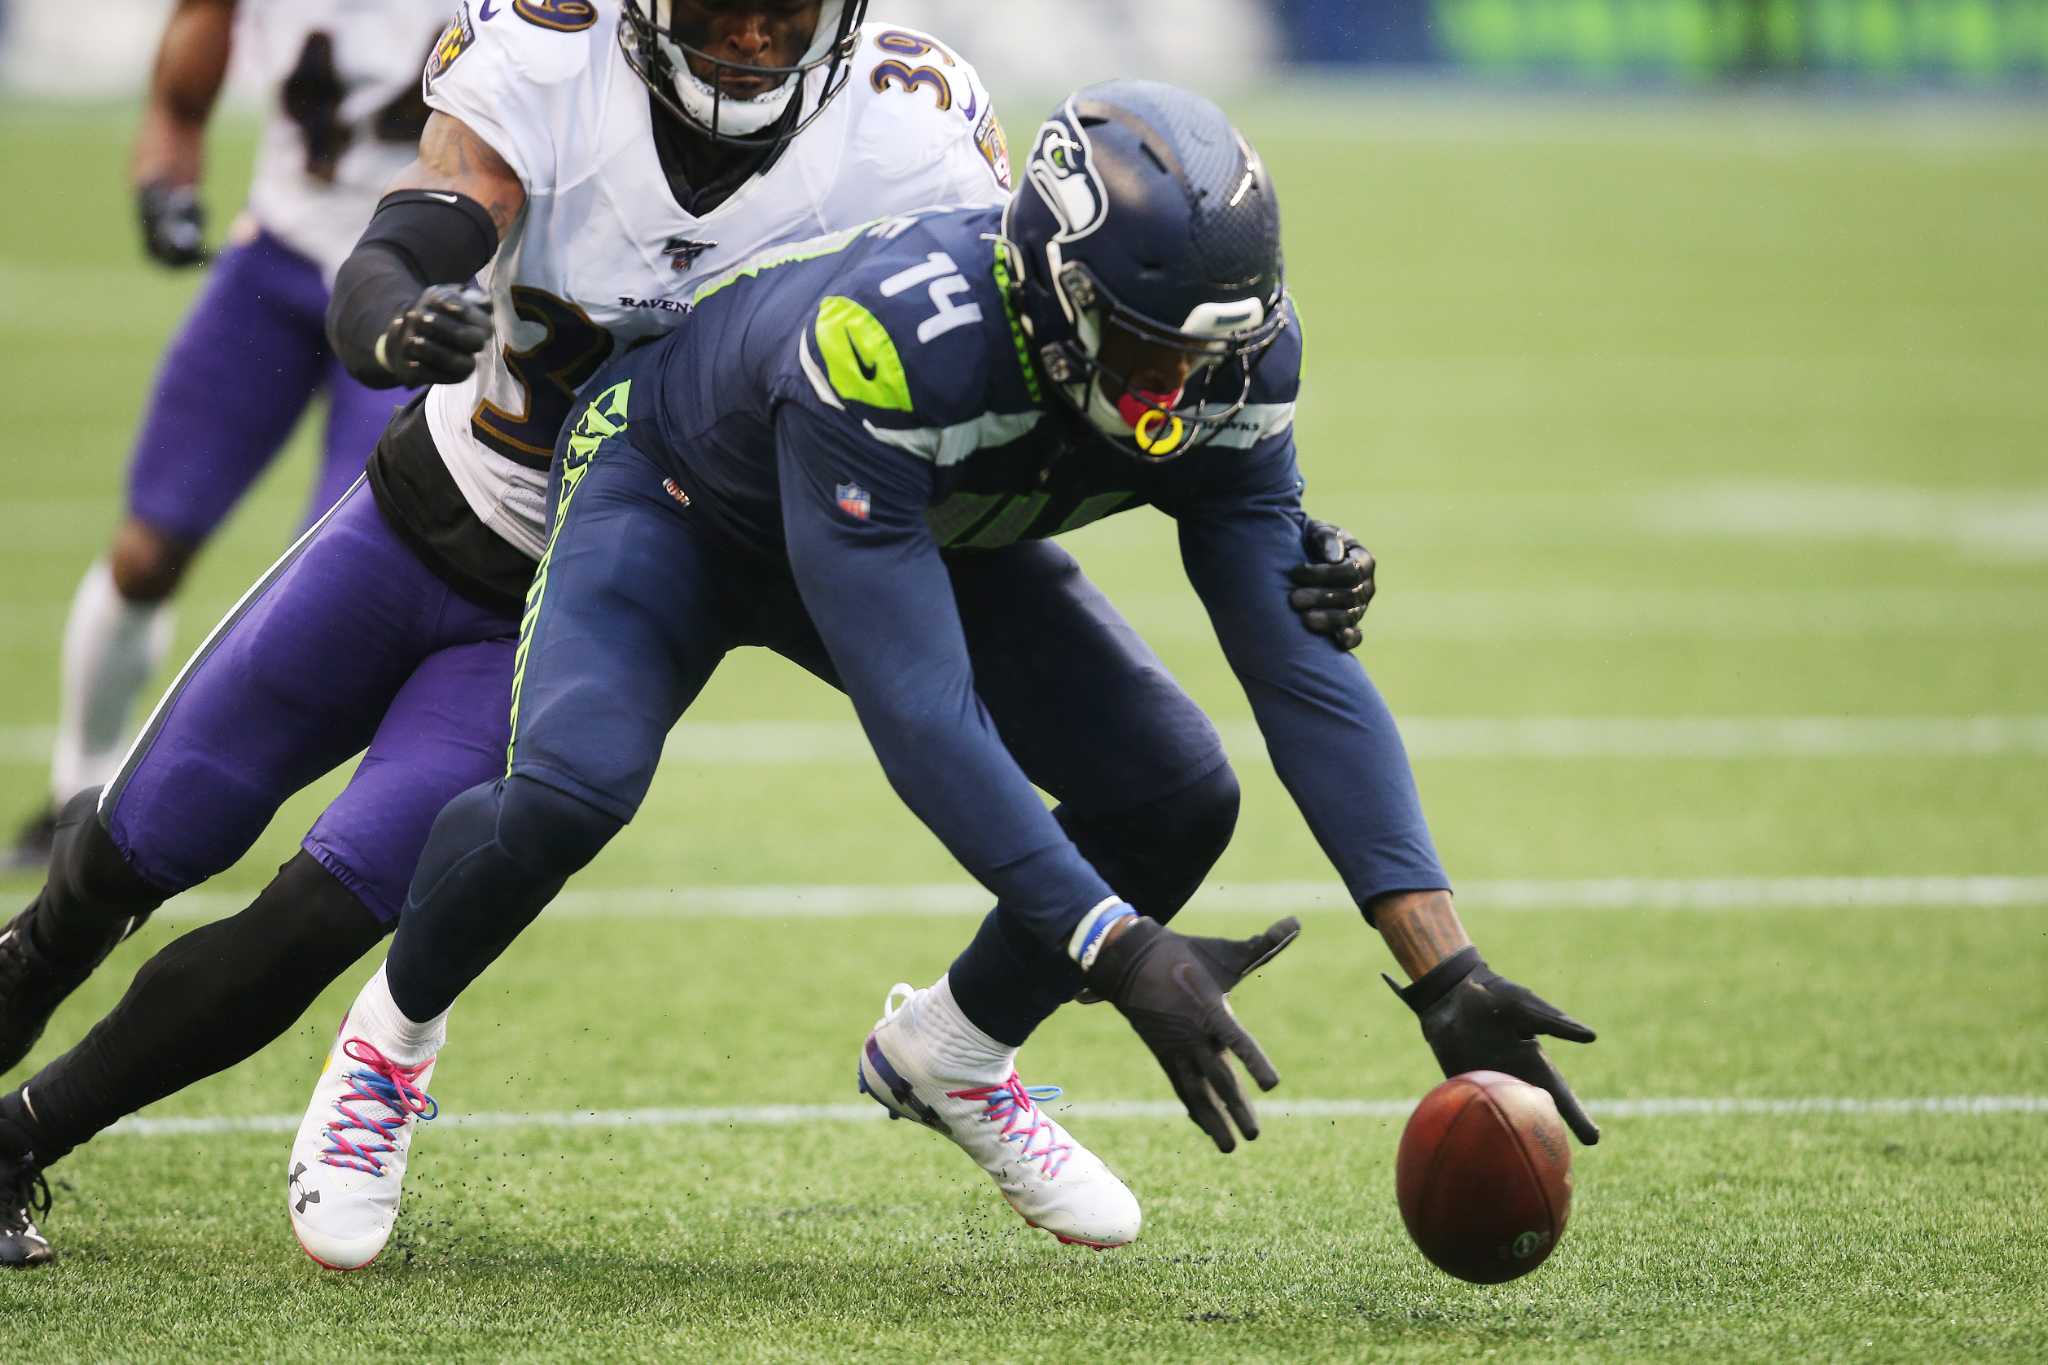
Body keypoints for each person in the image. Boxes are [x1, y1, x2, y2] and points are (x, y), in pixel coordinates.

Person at [0, 0, 1370, 1273]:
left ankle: (22, 1141)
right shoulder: (552, 49)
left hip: (655, 565)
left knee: (327, 902)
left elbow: (1025, 357)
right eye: (722, 6)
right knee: (133, 846)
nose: (753, 43)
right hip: (443, 513)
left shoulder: (912, 123)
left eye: (788, 10)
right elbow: (412, 234)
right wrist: (387, 320)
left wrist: (1275, 536)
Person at [290, 80, 1590, 1271]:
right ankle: (388, 1043)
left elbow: (1297, 670)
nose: (1177, 393)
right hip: (687, 497)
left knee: (1175, 794)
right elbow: (923, 715)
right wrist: (1115, 944)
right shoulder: (900, 343)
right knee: (569, 791)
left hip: (910, 515)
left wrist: (1445, 970)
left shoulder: (1224, 356)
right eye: (1144, 352)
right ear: (1052, 287)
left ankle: (955, 1052)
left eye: (1203, 356)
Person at [3, 0, 442, 873]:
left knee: (334, 591)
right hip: (277, 264)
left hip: (412, 295)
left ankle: (303, 840)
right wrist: (165, 187)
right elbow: (177, 101)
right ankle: (77, 793)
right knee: (148, 547)